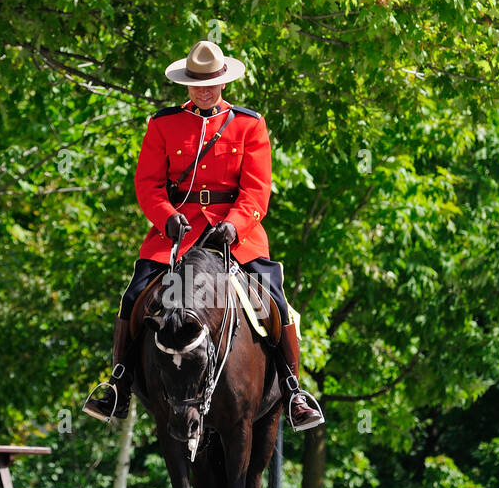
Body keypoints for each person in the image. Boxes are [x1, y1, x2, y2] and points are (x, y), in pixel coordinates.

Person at [82, 39, 325, 431]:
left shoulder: (249, 124)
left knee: (276, 301)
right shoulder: (163, 124)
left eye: (211, 82)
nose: (205, 90)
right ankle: (119, 384)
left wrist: (236, 223)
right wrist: (167, 217)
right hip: (176, 235)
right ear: (187, 84)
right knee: (134, 296)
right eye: (197, 83)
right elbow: (147, 184)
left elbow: (257, 189)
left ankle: (295, 390)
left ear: (223, 81)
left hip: (236, 235)